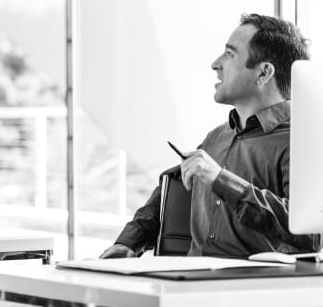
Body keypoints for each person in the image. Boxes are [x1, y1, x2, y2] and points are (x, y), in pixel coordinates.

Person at [100, 14, 319, 259]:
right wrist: (130, 242)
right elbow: (174, 183)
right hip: (190, 284)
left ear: (263, 73)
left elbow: (312, 236)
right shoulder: (216, 138)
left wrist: (221, 180)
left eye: (229, 54)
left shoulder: (304, 142)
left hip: (255, 289)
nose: (215, 64)